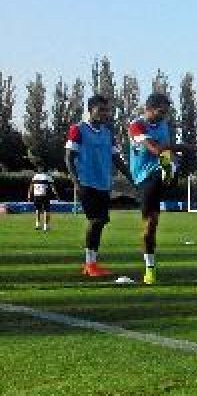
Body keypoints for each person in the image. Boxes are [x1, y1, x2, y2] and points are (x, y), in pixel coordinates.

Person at [128, 92, 197, 284]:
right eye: (161, 111)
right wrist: (184, 147)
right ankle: (149, 267)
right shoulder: (136, 126)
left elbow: (165, 153)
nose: (164, 115)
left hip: (160, 173)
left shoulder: (163, 126)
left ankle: (150, 266)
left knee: (153, 222)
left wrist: (172, 169)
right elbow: (155, 149)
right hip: (145, 178)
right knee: (150, 225)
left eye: (166, 112)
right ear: (149, 108)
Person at [65, 94, 134, 277]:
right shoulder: (77, 129)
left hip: (104, 184)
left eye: (107, 110)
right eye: (101, 109)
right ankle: (89, 264)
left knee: (101, 222)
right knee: (96, 220)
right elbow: (69, 157)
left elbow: (115, 158)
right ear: (90, 110)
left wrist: (131, 177)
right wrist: (76, 182)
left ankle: (92, 263)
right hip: (86, 182)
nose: (105, 113)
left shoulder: (107, 133)